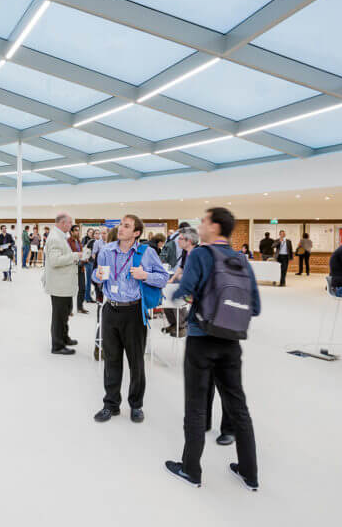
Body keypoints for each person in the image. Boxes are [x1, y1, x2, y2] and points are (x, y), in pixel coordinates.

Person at [164, 207, 260, 491]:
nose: (200, 225)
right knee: (238, 406)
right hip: (231, 342)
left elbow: (183, 291)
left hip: (201, 337)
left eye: (204, 221)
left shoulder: (200, 255)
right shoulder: (241, 259)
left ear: (215, 227)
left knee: (195, 405)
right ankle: (249, 472)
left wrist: (187, 294)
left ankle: (191, 469)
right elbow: (255, 306)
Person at [91, 214, 169, 423]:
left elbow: (163, 277)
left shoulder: (147, 253)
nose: (121, 229)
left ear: (136, 233)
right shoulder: (107, 251)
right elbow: (95, 276)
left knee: (136, 362)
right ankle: (111, 404)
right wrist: (96, 277)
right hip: (111, 310)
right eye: (120, 225)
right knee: (112, 360)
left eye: (126, 226)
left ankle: (136, 405)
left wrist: (145, 276)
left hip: (134, 312)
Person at [43, 213, 81, 355]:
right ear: (63, 223)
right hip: (59, 285)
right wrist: (75, 256)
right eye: (70, 223)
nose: (71, 226)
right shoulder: (54, 238)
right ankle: (57, 345)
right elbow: (55, 261)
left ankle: (64, 337)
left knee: (65, 313)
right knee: (59, 316)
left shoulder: (60, 236)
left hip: (64, 284)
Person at [68, 224, 89, 314]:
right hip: (72, 267)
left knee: (82, 288)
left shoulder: (79, 242)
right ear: (71, 232)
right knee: (70, 289)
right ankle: (68, 309)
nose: (77, 232)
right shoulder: (68, 242)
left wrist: (85, 258)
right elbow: (68, 255)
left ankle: (80, 307)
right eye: (76, 230)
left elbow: (81, 253)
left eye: (78, 230)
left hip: (81, 267)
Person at [84, 229, 101, 304]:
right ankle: (87, 297)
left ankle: (92, 297)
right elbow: (86, 251)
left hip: (95, 264)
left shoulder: (100, 242)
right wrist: (87, 258)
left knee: (95, 281)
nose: (98, 235)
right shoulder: (92, 241)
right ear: (93, 235)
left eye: (98, 233)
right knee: (89, 281)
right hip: (90, 263)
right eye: (96, 233)